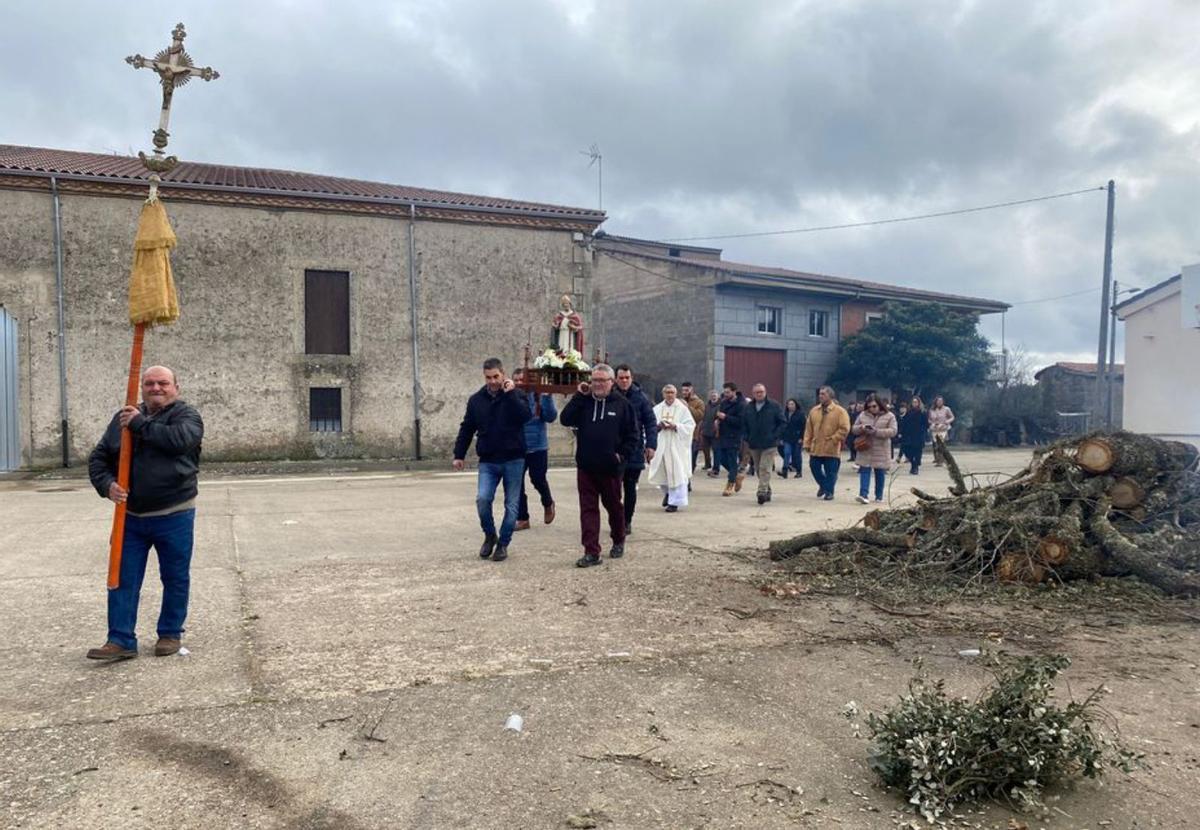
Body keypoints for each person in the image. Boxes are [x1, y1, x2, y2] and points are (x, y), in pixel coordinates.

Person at [86, 365, 204, 661]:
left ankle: (170, 633)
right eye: (149, 383)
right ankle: (121, 640)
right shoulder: (122, 418)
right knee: (122, 578)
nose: (156, 388)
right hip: (131, 518)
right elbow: (99, 458)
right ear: (142, 388)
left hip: (174, 514)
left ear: (176, 387)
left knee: (175, 577)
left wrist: (138, 424)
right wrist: (107, 485)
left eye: (163, 383)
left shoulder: (186, 416)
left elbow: (179, 441)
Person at [452, 358, 531, 563]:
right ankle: (489, 534)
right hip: (488, 459)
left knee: (512, 504)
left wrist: (511, 393)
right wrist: (459, 454)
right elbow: (467, 427)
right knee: (483, 499)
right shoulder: (476, 400)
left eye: (496, 377)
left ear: (503, 374)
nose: (493, 381)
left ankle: (503, 543)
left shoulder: (517, 395)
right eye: (488, 378)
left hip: (514, 458)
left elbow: (525, 416)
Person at [560, 364, 637, 567]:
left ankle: (618, 539)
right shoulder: (584, 401)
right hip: (586, 466)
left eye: (602, 380)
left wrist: (621, 457)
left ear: (612, 382)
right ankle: (591, 551)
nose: (598, 384)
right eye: (595, 380)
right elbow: (565, 419)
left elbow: (632, 436)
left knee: (613, 507)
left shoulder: (622, 404)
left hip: (610, 468)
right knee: (588, 510)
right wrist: (578, 396)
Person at [613, 364, 658, 535]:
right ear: (616, 379)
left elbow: (650, 422)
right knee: (613, 489)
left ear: (631, 378)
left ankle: (627, 520)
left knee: (630, 487)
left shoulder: (641, 398)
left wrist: (651, 445)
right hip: (614, 449)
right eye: (621, 378)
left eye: (627, 378)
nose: (624, 381)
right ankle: (616, 518)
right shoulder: (610, 395)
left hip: (634, 449)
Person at [511, 369, 557, 532]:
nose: (518, 383)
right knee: (516, 484)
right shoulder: (510, 397)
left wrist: (547, 396)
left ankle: (548, 502)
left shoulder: (537, 395)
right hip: (517, 447)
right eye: (515, 380)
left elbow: (550, 417)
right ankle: (523, 518)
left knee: (538, 479)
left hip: (537, 446)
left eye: (521, 379)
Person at [648, 384, 696, 512]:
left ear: (676, 394)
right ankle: (668, 493)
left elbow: (690, 425)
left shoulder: (682, 409)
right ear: (663, 394)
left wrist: (676, 426)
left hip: (676, 446)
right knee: (661, 472)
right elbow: (650, 425)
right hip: (661, 445)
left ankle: (674, 502)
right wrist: (659, 426)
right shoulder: (657, 409)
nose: (669, 395)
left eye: (672, 392)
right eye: (667, 392)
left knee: (677, 474)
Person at [803, 386, 851, 500]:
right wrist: (807, 443)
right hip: (816, 446)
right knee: (814, 467)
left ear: (830, 396)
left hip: (831, 447)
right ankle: (824, 485)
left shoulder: (840, 411)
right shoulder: (814, 411)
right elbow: (808, 429)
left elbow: (845, 428)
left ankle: (830, 492)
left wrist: (834, 439)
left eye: (823, 394)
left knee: (831, 472)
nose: (820, 396)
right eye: (820, 394)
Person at [743, 383, 787, 505]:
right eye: (757, 392)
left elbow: (782, 422)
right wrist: (746, 436)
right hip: (754, 443)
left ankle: (761, 492)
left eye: (761, 392)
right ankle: (767, 489)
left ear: (765, 392)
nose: (759, 394)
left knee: (765, 467)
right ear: (753, 394)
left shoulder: (774, 406)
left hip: (770, 443)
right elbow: (744, 424)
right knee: (758, 469)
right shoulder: (749, 408)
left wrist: (774, 436)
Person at [852, 395, 898, 504]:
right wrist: (861, 428)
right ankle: (863, 494)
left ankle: (879, 496)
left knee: (879, 472)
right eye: (869, 407)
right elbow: (853, 429)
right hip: (866, 447)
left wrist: (877, 431)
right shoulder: (862, 415)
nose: (872, 409)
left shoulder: (889, 416)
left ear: (879, 405)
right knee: (864, 470)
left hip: (881, 448)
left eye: (874, 406)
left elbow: (893, 431)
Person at [714, 382, 748, 496]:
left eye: (728, 392)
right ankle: (737, 475)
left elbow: (741, 422)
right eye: (724, 392)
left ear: (734, 391)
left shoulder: (742, 404)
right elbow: (718, 414)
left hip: (734, 436)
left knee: (732, 460)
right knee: (722, 459)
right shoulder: (723, 402)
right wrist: (717, 420)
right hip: (723, 434)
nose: (725, 394)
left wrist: (726, 417)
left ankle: (730, 483)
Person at [680, 382, 707, 473]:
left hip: (693, 434)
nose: (684, 392)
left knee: (691, 458)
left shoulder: (699, 402)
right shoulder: (679, 401)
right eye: (683, 390)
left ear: (692, 390)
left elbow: (699, 416)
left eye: (686, 390)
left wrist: (687, 407)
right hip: (681, 434)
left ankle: (688, 481)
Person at [899, 395, 930, 475]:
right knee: (908, 451)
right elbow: (904, 423)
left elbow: (926, 424)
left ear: (919, 403)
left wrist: (924, 432)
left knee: (917, 452)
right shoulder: (908, 412)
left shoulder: (923, 412)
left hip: (919, 435)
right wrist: (901, 432)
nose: (914, 403)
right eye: (913, 402)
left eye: (916, 402)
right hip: (909, 435)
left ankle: (915, 467)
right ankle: (913, 463)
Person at [779, 397, 805, 478]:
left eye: (792, 404)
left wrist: (802, 437)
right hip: (787, 438)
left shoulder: (800, 414)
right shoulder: (784, 414)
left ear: (796, 405)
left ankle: (799, 471)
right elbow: (782, 426)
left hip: (797, 438)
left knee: (797, 455)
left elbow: (804, 427)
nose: (790, 406)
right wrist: (781, 438)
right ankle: (785, 470)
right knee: (786, 453)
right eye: (789, 404)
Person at [929, 395, 956, 466]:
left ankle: (941, 460)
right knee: (935, 445)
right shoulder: (932, 410)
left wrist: (947, 421)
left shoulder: (947, 409)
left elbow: (952, 417)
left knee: (941, 444)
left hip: (943, 428)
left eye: (941, 401)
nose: (939, 402)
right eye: (938, 401)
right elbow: (929, 419)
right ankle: (937, 458)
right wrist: (932, 423)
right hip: (934, 429)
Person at [702, 390, 721, 476]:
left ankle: (716, 468)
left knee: (716, 451)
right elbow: (704, 417)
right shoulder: (707, 406)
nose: (713, 396)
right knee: (705, 449)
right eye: (712, 395)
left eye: (715, 395)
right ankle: (707, 464)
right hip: (706, 431)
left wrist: (717, 430)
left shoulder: (721, 406)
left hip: (715, 432)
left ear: (718, 396)